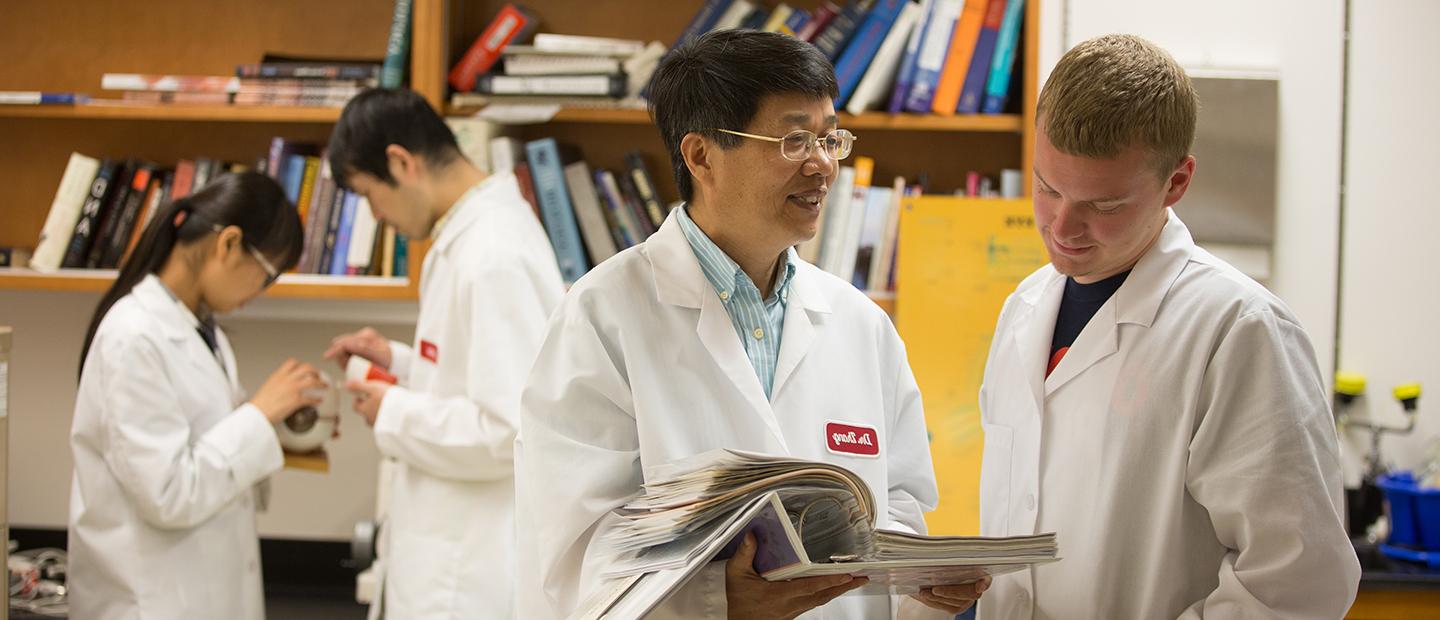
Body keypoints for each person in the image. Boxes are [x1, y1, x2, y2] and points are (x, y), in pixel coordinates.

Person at [515, 30, 983, 619]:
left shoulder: (861, 325)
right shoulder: (603, 317)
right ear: (701, 155)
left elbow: (900, 510)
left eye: (830, 137)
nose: (823, 165)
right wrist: (719, 604)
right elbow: (572, 546)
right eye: (792, 140)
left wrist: (927, 585)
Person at [976, 34, 1360, 618]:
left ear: (1176, 182)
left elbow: (1299, 582)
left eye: (1103, 206)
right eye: (1047, 188)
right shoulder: (1024, 309)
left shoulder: (1238, 330)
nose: (1062, 228)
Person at [321, 88, 566, 619]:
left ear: (400, 162)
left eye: (368, 195)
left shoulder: (491, 254)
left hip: (471, 575)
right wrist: (399, 363)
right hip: (451, 550)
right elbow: (476, 372)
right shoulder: (470, 233)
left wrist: (391, 409)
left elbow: (508, 429)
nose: (377, 215)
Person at [68, 172, 326, 619]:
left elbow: (209, 442)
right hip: (151, 603)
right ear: (228, 244)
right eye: (266, 277)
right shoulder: (133, 336)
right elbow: (167, 493)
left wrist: (281, 430)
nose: (259, 296)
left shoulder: (202, 332)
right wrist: (259, 414)